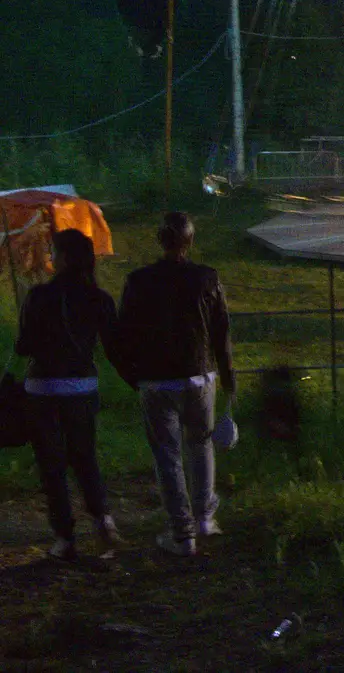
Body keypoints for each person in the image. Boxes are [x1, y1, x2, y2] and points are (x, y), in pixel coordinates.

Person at [116, 212, 234, 557]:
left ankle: (181, 532)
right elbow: (221, 334)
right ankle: (203, 519)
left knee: (167, 454)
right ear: (190, 241)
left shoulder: (138, 281)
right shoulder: (207, 278)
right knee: (201, 445)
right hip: (199, 376)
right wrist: (228, 379)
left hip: (155, 381)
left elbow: (124, 335)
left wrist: (133, 376)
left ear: (159, 241)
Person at [14, 229, 121, 561]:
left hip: (43, 388)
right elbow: (112, 344)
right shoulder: (99, 298)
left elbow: (23, 346)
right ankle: (103, 520)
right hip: (81, 386)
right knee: (84, 456)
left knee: (52, 464)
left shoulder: (38, 296)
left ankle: (64, 537)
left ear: (62, 258)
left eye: (53, 251)